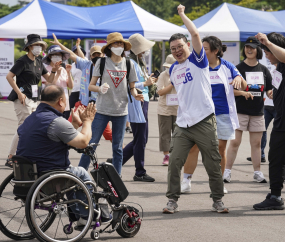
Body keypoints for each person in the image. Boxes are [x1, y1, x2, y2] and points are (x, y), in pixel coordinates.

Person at [163, 5, 229, 214]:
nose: (176, 50)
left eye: (179, 46)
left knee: (212, 163)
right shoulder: (173, 68)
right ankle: (172, 200)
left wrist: (182, 14)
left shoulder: (198, 60)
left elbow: (195, 33)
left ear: (187, 45)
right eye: (173, 48)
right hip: (183, 123)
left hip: (204, 120)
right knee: (174, 162)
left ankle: (217, 200)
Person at [16, 84, 111, 225]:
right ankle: (86, 217)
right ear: (60, 101)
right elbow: (84, 141)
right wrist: (87, 121)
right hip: (49, 180)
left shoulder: (30, 119)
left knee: (70, 174)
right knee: (81, 173)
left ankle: (77, 215)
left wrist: (73, 124)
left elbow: (52, 139)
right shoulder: (56, 122)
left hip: (27, 178)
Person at [180, 36, 247, 194]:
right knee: (194, 147)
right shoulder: (196, 65)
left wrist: (238, 78)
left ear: (216, 51)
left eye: (206, 49)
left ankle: (218, 183)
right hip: (201, 114)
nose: (202, 51)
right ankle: (186, 180)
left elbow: (244, 84)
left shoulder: (228, 66)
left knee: (220, 149)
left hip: (223, 114)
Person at [86, 32, 143, 175]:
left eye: (121, 43)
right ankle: (80, 174)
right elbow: (90, 86)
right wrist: (99, 88)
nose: (119, 46)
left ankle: (116, 180)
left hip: (121, 111)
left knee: (118, 148)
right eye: (115, 43)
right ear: (109, 47)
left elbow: (132, 87)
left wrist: (136, 95)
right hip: (102, 110)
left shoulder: (129, 63)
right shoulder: (102, 62)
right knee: (91, 145)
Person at [5, 34, 60, 168]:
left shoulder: (39, 61)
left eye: (40, 45)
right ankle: (11, 157)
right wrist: (19, 93)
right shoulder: (23, 61)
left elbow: (50, 81)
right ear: (29, 47)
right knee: (23, 127)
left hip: (35, 98)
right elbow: (9, 76)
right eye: (36, 45)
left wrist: (54, 71)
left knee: (33, 127)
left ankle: (27, 156)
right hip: (23, 98)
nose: (39, 47)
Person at [50, 34, 113, 148]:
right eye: (94, 55)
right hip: (83, 105)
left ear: (103, 55)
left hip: (98, 107)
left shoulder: (107, 67)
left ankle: (122, 151)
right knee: (68, 128)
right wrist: (59, 44)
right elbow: (72, 54)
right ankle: (56, 150)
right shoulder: (86, 65)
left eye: (99, 54)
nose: (96, 56)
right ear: (91, 56)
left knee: (109, 135)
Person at [224, 36, 272, 184]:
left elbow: (269, 89)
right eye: (247, 47)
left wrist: (271, 93)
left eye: (252, 47)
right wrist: (243, 93)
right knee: (235, 142)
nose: (249, 50)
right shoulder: (238, 68)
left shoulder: (264, 69)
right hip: (240, 111)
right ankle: (226, 171)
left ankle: (257, 173)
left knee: (256, 144)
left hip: (258, 112)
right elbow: (229, 90)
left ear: (258, 50)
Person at [253, 32, 285, 210]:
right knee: (276, 158)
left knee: (276, 158)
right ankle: (275, 196)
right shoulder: (278, 67)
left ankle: (275, 196)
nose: (266, 54)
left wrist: (268, 42)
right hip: (281, 120)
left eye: (268, 50)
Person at [122, 33, 156, 182]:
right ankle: (139, 171)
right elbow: (128, 85)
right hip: (138, 100)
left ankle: (116, 162)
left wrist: (148, 83)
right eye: (143, 48)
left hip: (143, 100)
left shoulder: (138, 61)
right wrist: (146, 84)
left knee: (140, 138)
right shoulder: (131, 62)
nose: (145, 51)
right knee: (140, 138)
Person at [247, 65, 277, 163]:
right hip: (266, 106)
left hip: (278, 106)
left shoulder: (281, 71)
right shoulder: (270, 70)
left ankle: (278, 156)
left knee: (278, 132)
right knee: (262, 130)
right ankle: (260, 155)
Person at [42, 45, 73, 119]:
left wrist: (68, 73)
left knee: (64, 125)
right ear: (50, 56)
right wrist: (57, 73)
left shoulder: (63, 69)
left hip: (64, 102)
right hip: (53, 103)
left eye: (59, 55)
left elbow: (71, 86)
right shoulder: (46, 70)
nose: (57, 57)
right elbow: (49, 87)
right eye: (55, 55)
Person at [156, 54, 177, 166]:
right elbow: (160, 91)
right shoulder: (163, 76)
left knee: (178, 134)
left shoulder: (182, 75)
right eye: (167, 67)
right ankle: (166, 155)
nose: (168, 69)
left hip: (179, 109)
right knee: (165, 133)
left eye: (171, 67)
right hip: (164, 109)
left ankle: (176, 155)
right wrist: (172, 84)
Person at [66, 39, 87, 118]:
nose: (77, 53)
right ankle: (65, 123)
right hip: (75, 89)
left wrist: (78, 46)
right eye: (75, 52)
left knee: (86, 109)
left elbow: (82, 58)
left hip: (84, 90)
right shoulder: (72, 65)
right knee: (68, 108)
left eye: (78, 51)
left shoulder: (85, 62)